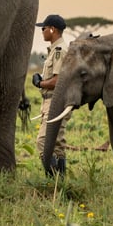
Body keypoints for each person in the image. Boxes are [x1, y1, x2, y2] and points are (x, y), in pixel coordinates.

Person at [32, 13, 69, 176]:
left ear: (52, 30)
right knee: (58, 144)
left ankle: (51, 179)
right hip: (53, 101)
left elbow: (57, 81)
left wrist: (39, 83)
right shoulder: (55, 50)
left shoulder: (60, 51)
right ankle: (60, 182)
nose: (42, 31)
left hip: (54, 101)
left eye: (44, 28)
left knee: (43, 142)